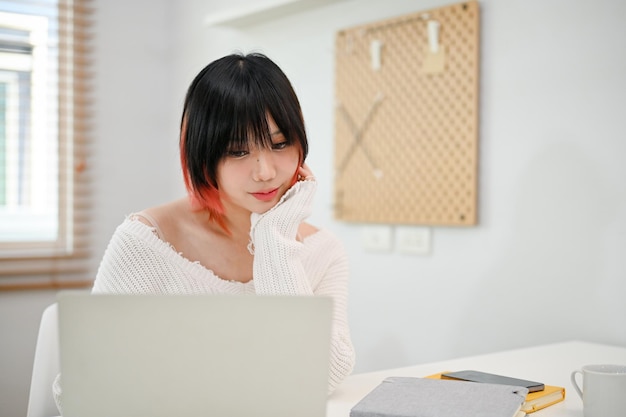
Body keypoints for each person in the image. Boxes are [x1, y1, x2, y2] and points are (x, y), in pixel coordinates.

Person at [53, 52, 355, 412]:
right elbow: (80, 389)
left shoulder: (322, 250)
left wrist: (274, 241)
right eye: (238, 151)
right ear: (202, 155)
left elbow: (326, 376)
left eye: (279, 144)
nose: (265, 171)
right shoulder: (147, 241)